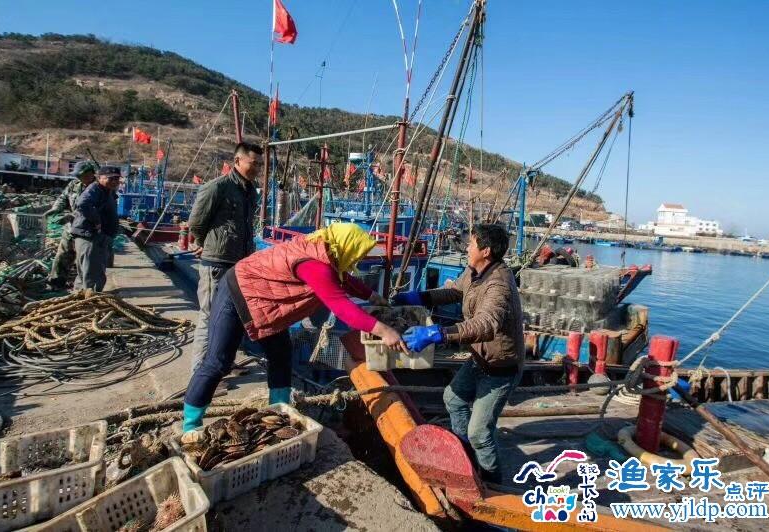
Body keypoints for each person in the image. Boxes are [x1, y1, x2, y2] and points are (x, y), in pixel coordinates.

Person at [182, 223, 409, 432]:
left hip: (265, 303)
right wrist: (385, 331)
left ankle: (278, 413)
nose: (357, 260)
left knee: (281, 356)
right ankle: (190, 426)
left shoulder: (325, 251)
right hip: (237, 292)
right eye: (357, 253)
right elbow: (342, 308)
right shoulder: (315, 265)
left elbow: (344, 280)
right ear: (346, 247)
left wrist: (372, 295)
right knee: (218, 362)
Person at [396, 224, 524, 484]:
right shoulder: (475, 271)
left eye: (471, 244)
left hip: (501, 368)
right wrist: (418, 297)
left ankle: (492, 483)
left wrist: (439, 334)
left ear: (486, 251)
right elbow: (454, 291)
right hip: (480, 359)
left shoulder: (498, 285)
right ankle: (466, 457)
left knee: (479, 433)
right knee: (453, 398)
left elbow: (486, 324)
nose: (467, 247)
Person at [187, 142, 262, 376]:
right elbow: (196, 223)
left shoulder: (250, 191)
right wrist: (206, 244)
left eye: (260, 165)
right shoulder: (217, 187)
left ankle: (224, 362)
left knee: (233, 316)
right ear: (237, 161)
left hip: (240, 264)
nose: (257, 168)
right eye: (253, 163)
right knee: (210, 316)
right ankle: (201, 372)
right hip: (218, 264)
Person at [44, 161, 96, 290]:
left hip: (88, 230)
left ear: (91, 174)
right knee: (63, 255)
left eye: (82, 175)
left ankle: (84, 288)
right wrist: (55, 208)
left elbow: (92, 210)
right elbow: (63, 198)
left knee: (85, 260)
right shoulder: (74, 184)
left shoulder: (98, 188)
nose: (79, 178)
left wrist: (72, 215)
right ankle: (56, 283)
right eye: (78, 175)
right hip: (71, 228)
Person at [70, 166, 121, 291]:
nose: (114, 181)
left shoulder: (107, 191)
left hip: (100, 238)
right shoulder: (95, 189)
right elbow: (82, 204)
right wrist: (96, 220)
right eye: (110, 178)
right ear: (99, 178)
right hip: (90, 236)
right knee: (91, 274)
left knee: (91, 272)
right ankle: (89, 299)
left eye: (117, 178)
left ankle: (82, 296)